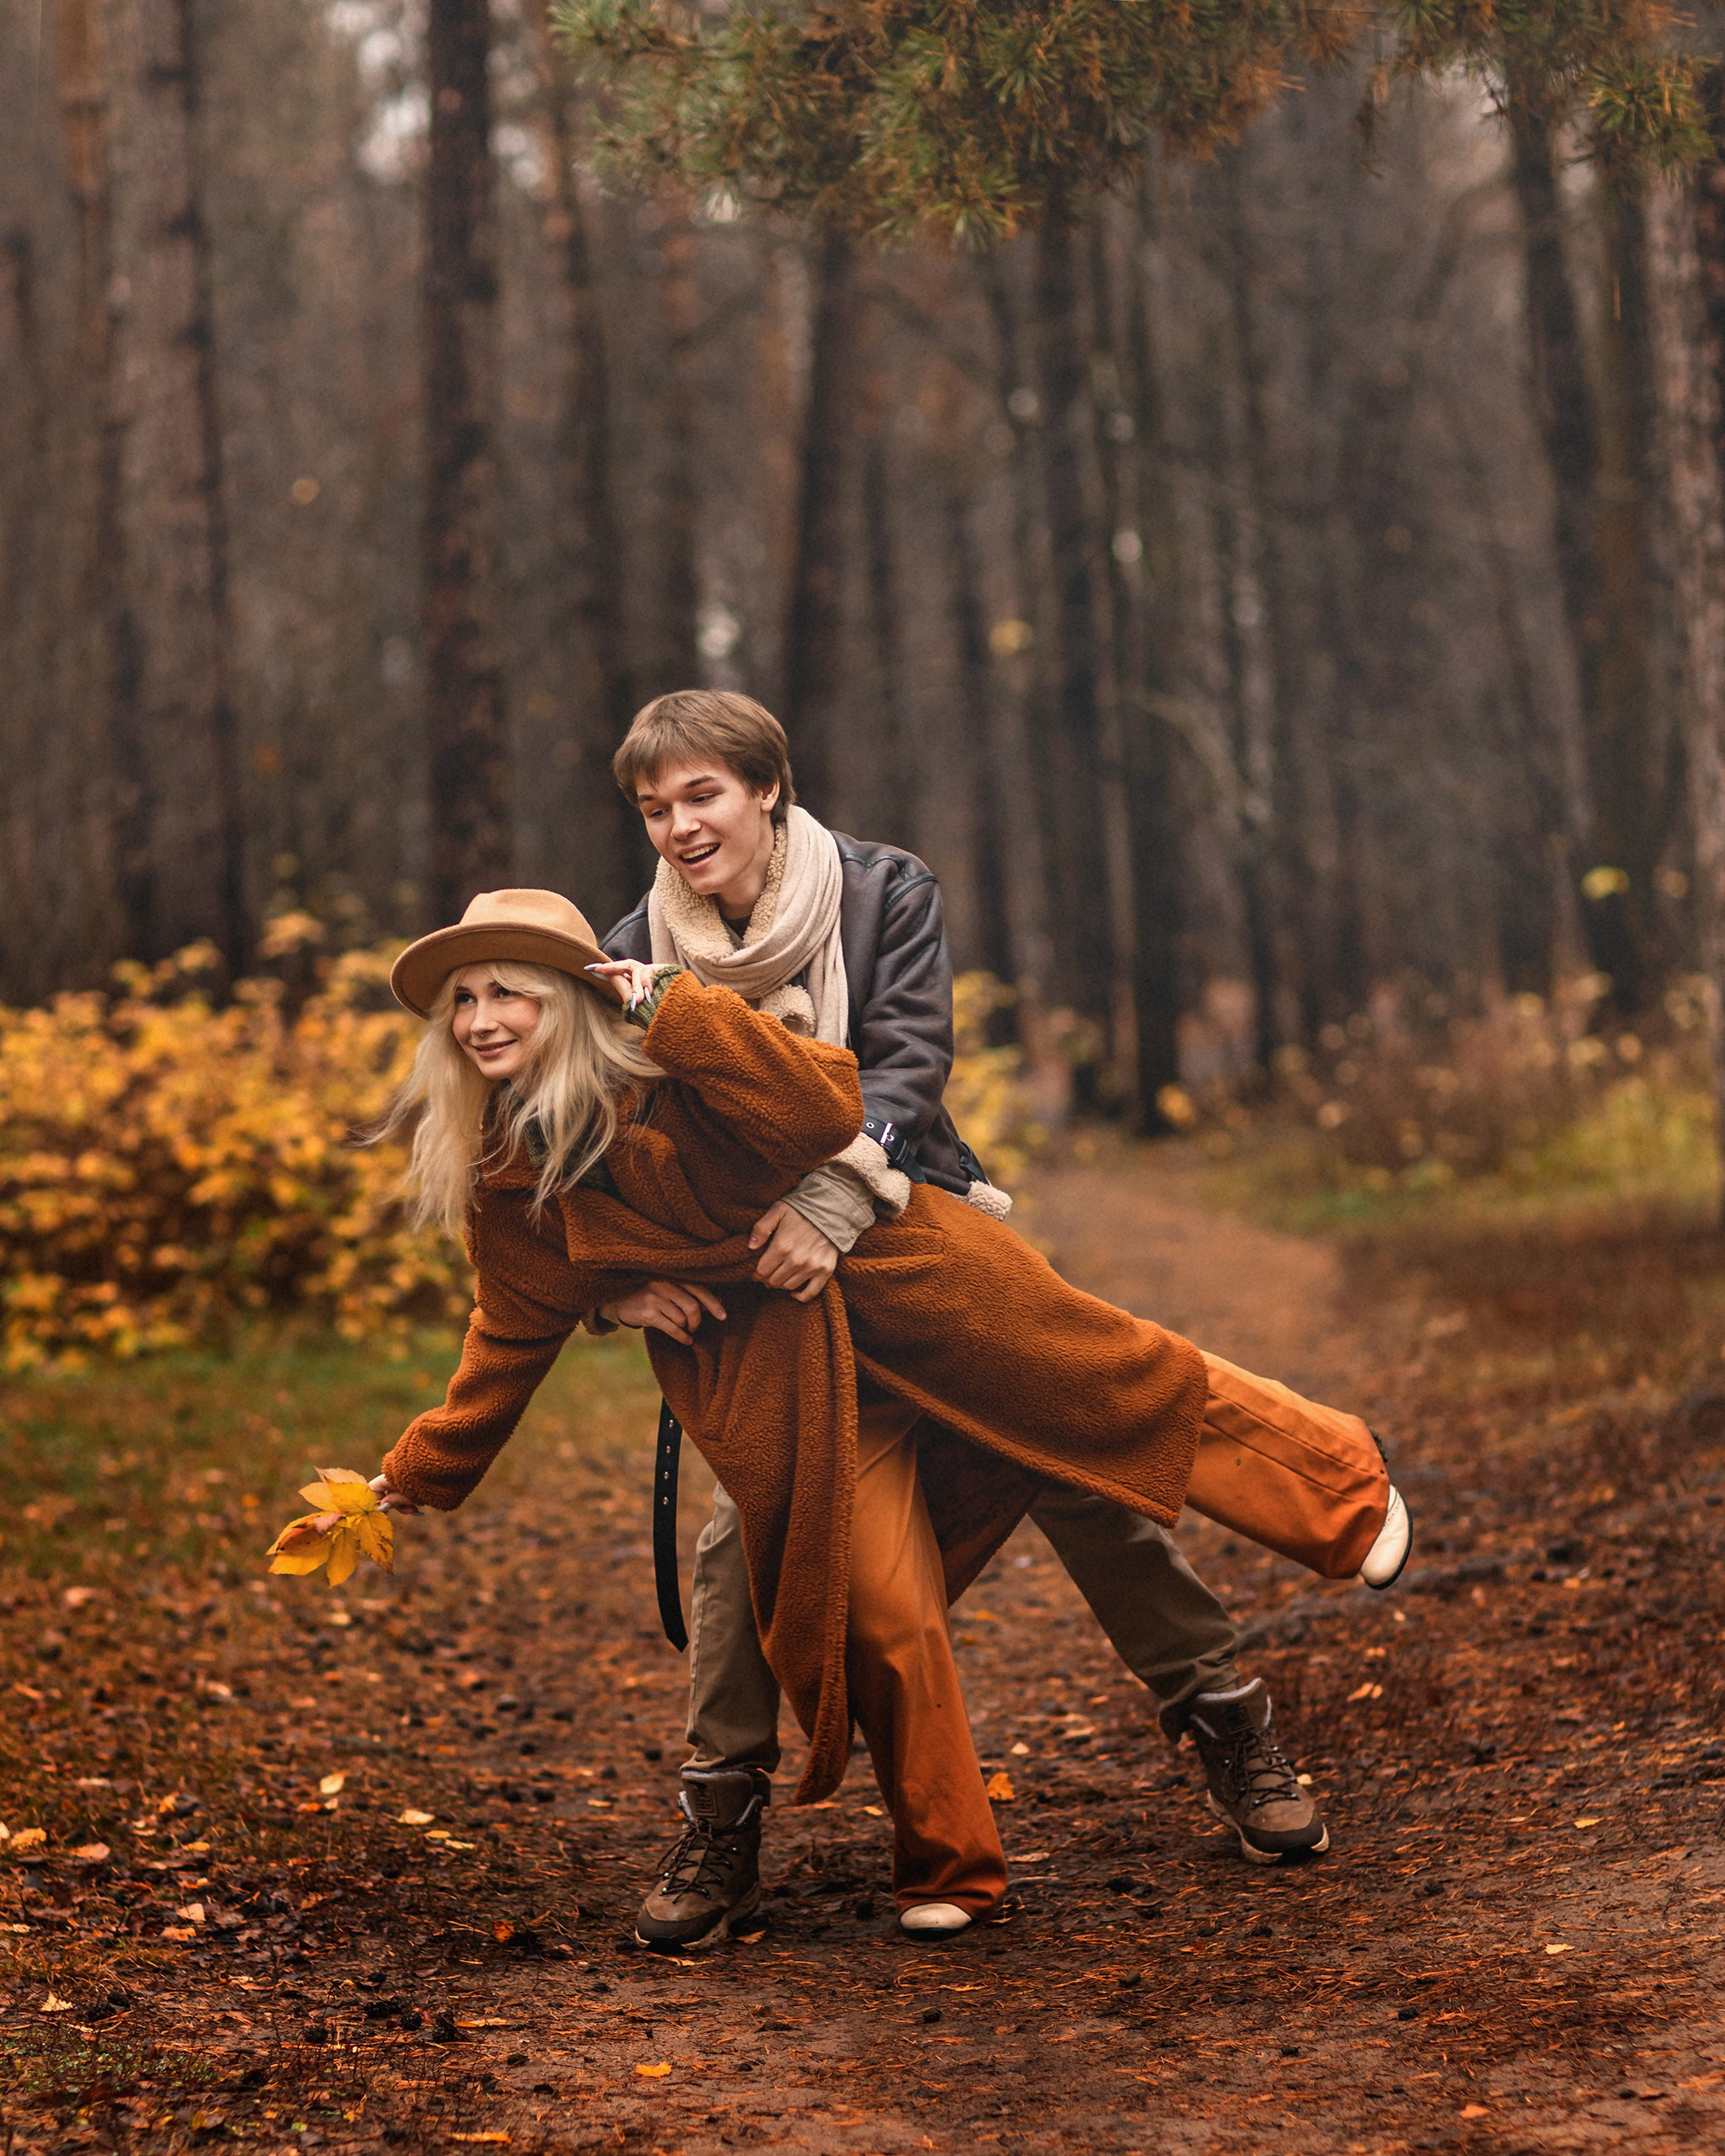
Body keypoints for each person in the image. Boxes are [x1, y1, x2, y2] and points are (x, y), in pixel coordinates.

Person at [371, 885, 1407, 1940]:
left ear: (575, 993)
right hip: (790, 1359)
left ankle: (1325, 1532)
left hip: (914, 1284)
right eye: (463, 998)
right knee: (856, 1584)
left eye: (509, 991)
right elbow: (511, 1321)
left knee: (1107, 1409)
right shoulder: (508, 1161)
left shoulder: (791, 957)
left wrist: (674, 1008)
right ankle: (932, 1860)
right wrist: (419, 1468)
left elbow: (830, 1104)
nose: (480, 1017)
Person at [598, 691, 1409, 1948]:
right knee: (743, 1530)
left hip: (914, 1229)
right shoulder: (634, 951)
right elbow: (598, 1148)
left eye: (700, 794)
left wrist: (830, 1199)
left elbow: (911, 1067)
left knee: (1081, 1450)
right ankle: (723, 1820)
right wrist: (611, 1283)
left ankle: (1230, 1724)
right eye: (654, 809)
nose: (678, 826)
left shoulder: (881, 893)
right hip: (776, 1296)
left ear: (766, 787)